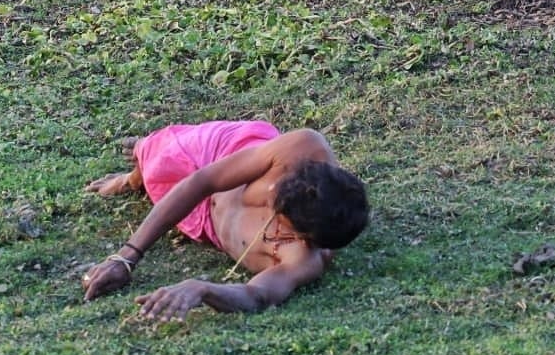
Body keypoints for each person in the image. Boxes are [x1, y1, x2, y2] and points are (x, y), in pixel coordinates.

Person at [81, 120, 368, 319]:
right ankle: (135, 169)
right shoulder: (300, 149)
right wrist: (126, 257)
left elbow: (257, 295)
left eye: (275, 210)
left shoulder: (302, 259)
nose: (268, 196)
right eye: (275, 189)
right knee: (161, 154)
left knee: (161, 174)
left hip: (209, 220)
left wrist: (202, 288)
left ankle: (146, 162)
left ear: (300, 235)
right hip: (228, 153)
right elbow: (203, 181)